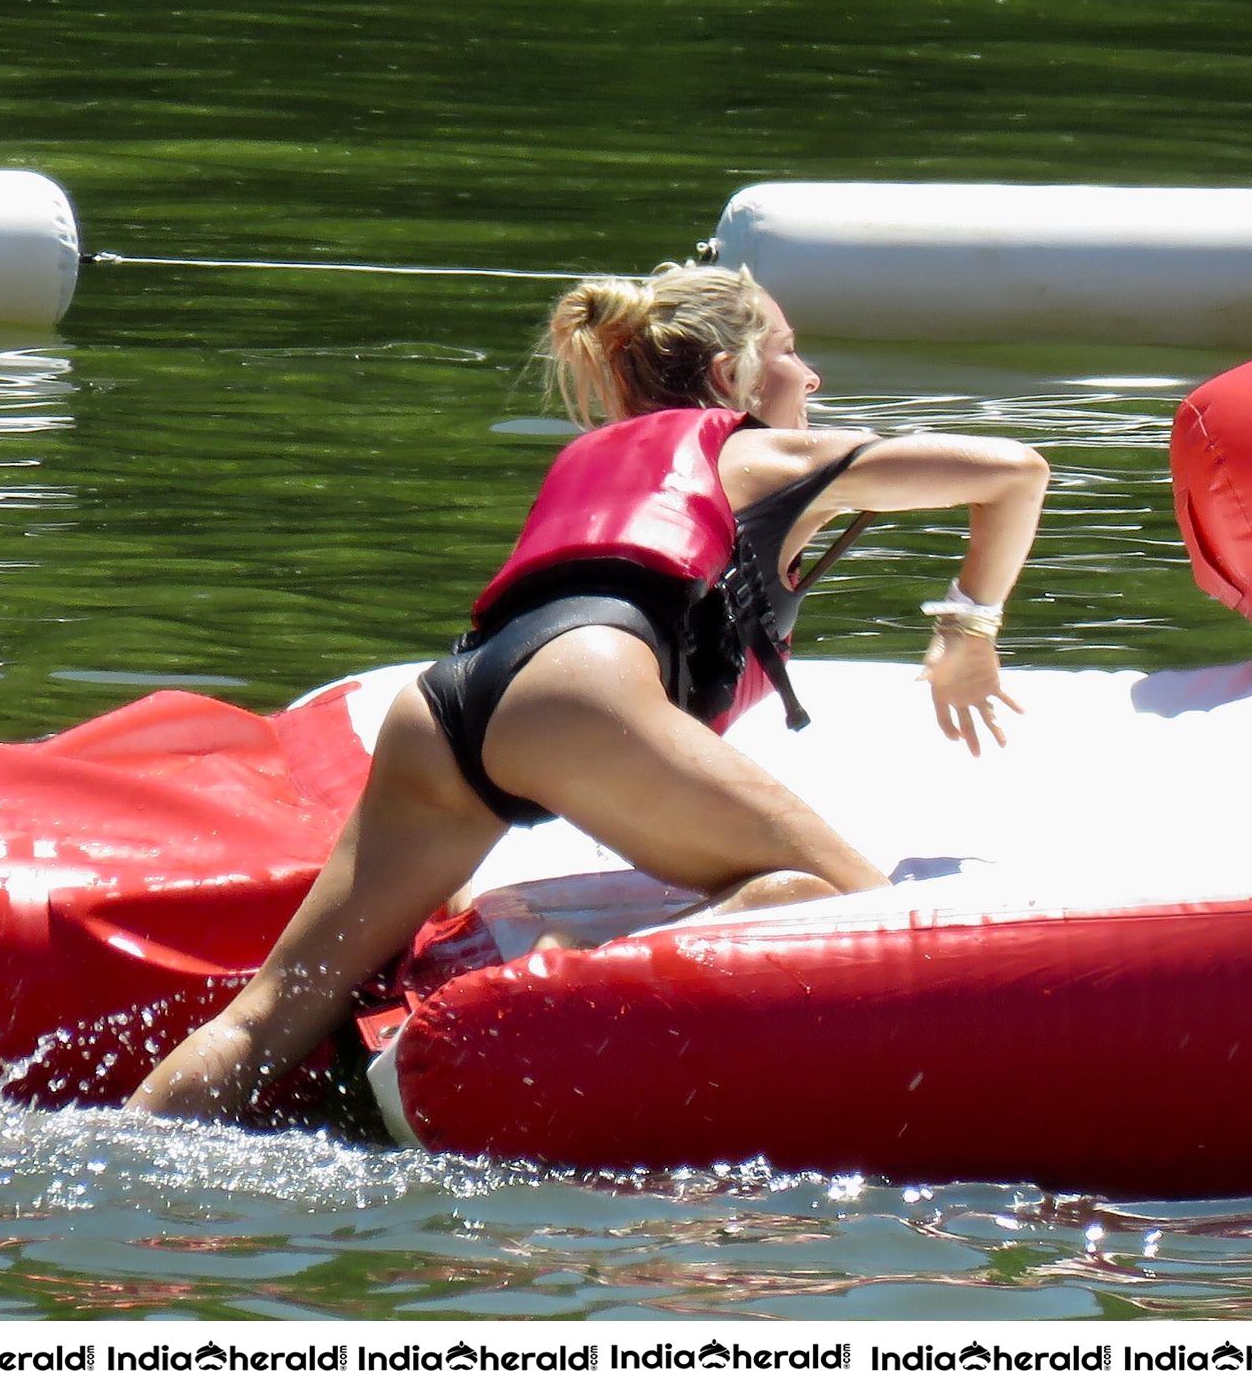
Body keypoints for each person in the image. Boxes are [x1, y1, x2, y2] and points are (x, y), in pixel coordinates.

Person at [128, 262, 1048, 1121]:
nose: (809, 377)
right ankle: (550, 987)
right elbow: (1015, 472)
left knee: (270, 1012)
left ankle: (128, 1150)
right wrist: (965, 635)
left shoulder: (598, 457)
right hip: (583, 689)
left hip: (443, 704)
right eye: (790, 351)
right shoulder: (763, 458)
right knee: (847, 913)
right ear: (732, 373)